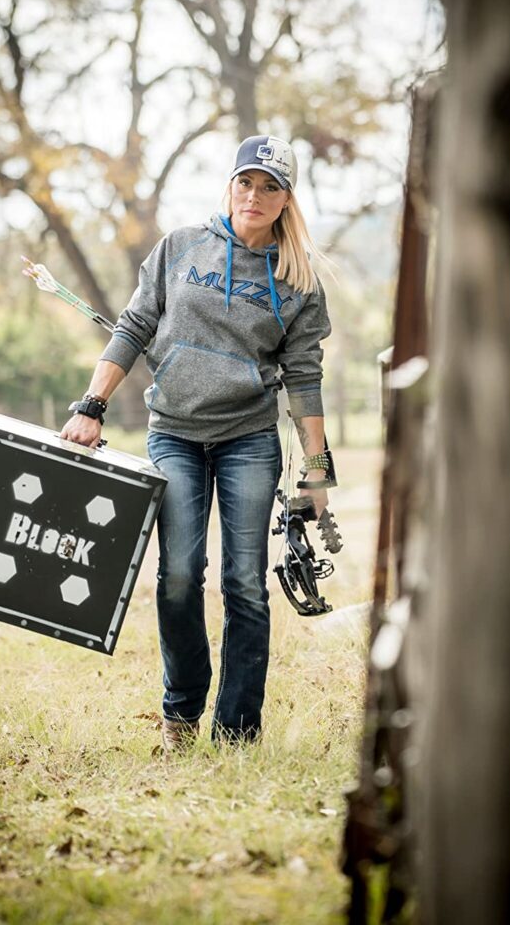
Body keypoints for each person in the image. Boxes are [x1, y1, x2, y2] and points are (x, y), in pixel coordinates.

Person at [61, 135, 334, 750]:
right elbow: (134, 324)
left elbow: (305, 378)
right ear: (230, 185)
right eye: (246, 182)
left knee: (245, 583)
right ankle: (180, 717)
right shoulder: (180, 248)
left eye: (271, 186)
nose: (255, 195)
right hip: (176, 434)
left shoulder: (298, 280)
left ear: (288, 199)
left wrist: (317, 471)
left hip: (249, 440)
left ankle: (237, 731)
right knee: (180, 574)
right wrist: (92, 405)